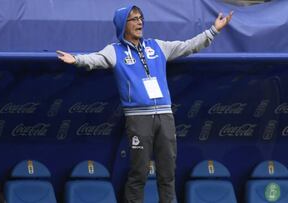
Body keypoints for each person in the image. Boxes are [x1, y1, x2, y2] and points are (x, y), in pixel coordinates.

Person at [57, 5, 233, 203]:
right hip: (138, 118)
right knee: (139, 174)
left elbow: (189, 46)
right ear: (124, 24)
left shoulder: (157, 46)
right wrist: (77, 60)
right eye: (134, 19)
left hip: (165, 116)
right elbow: (96, 59)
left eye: (141, 18)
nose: (140, 22)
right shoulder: (115, 51)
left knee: (167, 174)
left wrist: (214, 30)